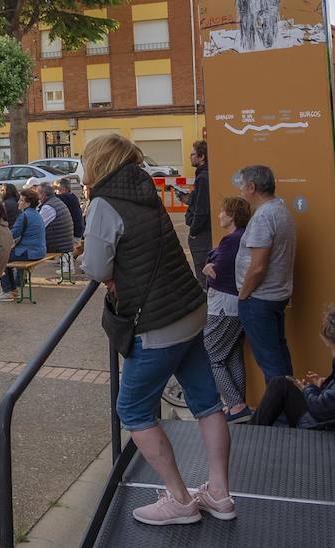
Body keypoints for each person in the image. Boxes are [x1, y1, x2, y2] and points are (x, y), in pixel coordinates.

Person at [79, 133, 233, 528]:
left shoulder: (103, 203)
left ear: (98, 162)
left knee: (131, 408)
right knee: (207, 402)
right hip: (190, 308)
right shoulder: (145, 189)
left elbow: (96, 267)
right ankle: (219, 493)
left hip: (157, 323)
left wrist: (110, 272)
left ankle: (180, 499)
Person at [253, 306, 335, 433]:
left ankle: (252, 431)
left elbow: (321, 409)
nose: (332, 354)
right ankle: (253, 429)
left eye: (331, 347)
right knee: (281, 383)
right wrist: (325, 386)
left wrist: (308, 389)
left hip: (334, 427)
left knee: (279, 385)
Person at [236, 164, 298, 382]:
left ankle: (281, 414)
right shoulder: (280, 209)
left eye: (242, 185)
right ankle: (291, 407)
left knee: (270, 362)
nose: (240, 190)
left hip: (259, 299)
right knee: (279, 357)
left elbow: (258, 266)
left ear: (252, 187)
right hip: (275, 295)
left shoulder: (264, 217)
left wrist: (243, 295)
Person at [202, 196, 252, 423]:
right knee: (232, 356)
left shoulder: (231, 241)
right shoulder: (245, 237)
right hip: (238, 304)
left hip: (222, 304)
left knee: (211, 356)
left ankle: (236, 404)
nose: (219, 215)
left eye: (222, 212)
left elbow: (217, 272)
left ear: (231, 216)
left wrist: (208, 266)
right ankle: (237, 407)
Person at [0, 188, 47, 302]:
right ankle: (12, 289)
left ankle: (8, 291)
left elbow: (12, 234)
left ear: (28, 203)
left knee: (0, 258)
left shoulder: (24, 215)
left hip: (30, 252)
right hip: (39, 250)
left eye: (21, 201)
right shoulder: (35, 214)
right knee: (6, 256)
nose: (18, 202)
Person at [177, 141, 212, 281]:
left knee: (203, 273)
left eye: (192, 154)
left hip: (202, 233)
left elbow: (202, 210)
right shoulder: (205, 174)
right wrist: (189, 200)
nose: (189, 157)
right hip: (205, 231)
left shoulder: (203, 178)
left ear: (201, 156)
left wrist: (193, 232)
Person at [35, 183, 75, 256]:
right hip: (65, 246)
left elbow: (36, 228)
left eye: (37, 194)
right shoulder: (56, 201)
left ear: (43, 195)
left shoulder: (48, 208)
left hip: (58, 250)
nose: (37, 197)